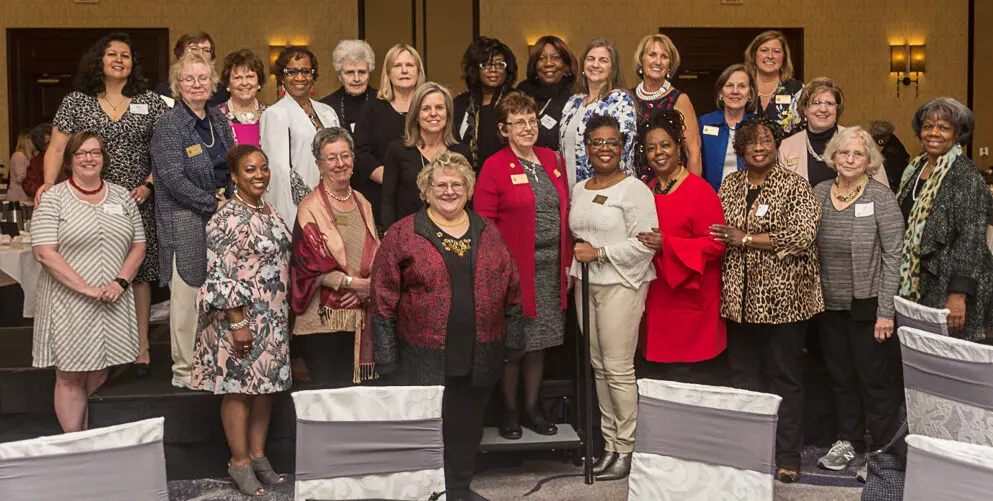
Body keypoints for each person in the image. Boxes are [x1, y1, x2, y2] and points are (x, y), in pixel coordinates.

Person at [371, 151, 524, 500]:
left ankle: (457, 489)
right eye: (441, 185)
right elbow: (382, 299)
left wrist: (514, 339)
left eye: (457, 184)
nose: (449, 191)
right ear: (426, 191)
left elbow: (512, 288)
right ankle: (427, 493)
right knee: (429, 429)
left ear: (468, 190)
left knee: (467, 428)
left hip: (479, 353)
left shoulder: (489, 232)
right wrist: (386, 356)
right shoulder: (403, 233)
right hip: (421, 357)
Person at [42, 33, 167, 378]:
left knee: (137, 275)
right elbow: (56, 148)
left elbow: (166, 150)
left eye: (125, 55)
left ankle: (140, 349)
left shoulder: (152, 102)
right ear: (98, 61)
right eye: (111, 54)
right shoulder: (76, 102)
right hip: (86, 201)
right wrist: (48, 187)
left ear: (133, 64)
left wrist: (149, 185)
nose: (118, 59)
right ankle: (99, 348)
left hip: (136, 200)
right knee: (95, 270)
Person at [710, 115, 823, 483]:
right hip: (738, 301)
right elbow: (715, 232)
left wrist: (745, 238)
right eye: (751, 142)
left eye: (765, 141)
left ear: (775, 145)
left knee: (784, 378)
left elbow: (802, 236)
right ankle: (749, 450)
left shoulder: (795, 186)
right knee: (742, 376)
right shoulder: (729, 184)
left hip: (784, 302)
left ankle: (788, 455)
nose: (758, 147)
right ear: (740, 150)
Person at [191, 144, 290, 496]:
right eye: (250, 170)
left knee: (265, 389)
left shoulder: (267, 210)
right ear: (233, 176)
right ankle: (239, 462)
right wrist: (237, 322)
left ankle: (258, 454)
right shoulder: (226, 218)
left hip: (272, 319)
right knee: (239, 390)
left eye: (263, 168)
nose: (260, 174)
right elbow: (218, 276)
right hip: (241, 319)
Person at [32, 131, 146, 432]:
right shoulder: (53, 198)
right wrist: (87, 289)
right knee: (70, 374)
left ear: (103, 158)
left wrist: (119, 283)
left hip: (112, 298)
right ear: (69, 161)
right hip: (68, 301)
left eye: (94, 152)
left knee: (99, 369)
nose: (88, 158)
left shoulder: (122, 195)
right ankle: (76, 446)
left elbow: (139, 245)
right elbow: (44, 253)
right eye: (80, 153)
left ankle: (89, 439)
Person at [474, 91, 570, 439]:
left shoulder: (551, 159)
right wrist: (500, 272)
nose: (528, 127)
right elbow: (484, 226)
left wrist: (567, 266)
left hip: (550, 269)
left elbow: (566, 213)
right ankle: (509, 412)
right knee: (515, 346)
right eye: (519, 122)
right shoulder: (494, 166)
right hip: (515, 272)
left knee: (540, 344)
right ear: (504, 129)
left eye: (531, 120)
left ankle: (533, 408)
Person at [570, 114, 658, 481]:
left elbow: (646, 243)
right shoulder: (579, 188)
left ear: (622, 148)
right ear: (587, 149)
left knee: (619, 368)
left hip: (622, 283)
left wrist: (601, 253)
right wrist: (587, 259)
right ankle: (608, 446)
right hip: (584, 283)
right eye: (597, 143)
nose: (604, 149)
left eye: (611, 143)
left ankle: (627, 448)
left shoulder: (634, 189)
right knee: (599, 367)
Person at [811, 126, 905, 472]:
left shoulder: (880, 197)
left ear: (869, 161)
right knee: (840, 376)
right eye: (844, 153)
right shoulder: (820, 192)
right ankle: (847, 441)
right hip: (828, 304)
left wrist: (886, 312)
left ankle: (881, 452)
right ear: (833, 157)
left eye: (858, 154)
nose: (850, 159)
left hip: (868, 304)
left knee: (874, 380)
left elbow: (894, 256)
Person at [151, 53, 236, 389]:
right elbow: (173, 180)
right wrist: (215, 202)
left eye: (203, 78)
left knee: (219, 296)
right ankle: (184, 371)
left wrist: (230, 196)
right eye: (189, 79)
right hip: (184, 221)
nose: (197, 84)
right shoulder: (169, 126)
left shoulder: (218, 119)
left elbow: (233, 162)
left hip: (220, 219)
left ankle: (214, 364)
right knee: (186, 302)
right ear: (178, 86)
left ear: (213, 83)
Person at [637, 109, 727, 384]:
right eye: (651, 148)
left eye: (665, 145)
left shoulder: (700, 191)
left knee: (687, 379)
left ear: (679, 148)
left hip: (691, 300)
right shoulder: (645, 188)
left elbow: (717, 245)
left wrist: (669, 245)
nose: (658, 153)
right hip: (656, 296)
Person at [896, 97, 993, 342]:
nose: (934, 133)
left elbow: (971, 240)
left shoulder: (965, 176)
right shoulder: (914, 169)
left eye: (943, 127)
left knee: (950, 359)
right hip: (920, 282)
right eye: (928, 126)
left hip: (949, 286)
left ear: (957, 134)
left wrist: (958, 294)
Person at [290, 127, 380, 385]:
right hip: (322, 319)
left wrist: (368, 287)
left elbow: (376, 252)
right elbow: (307, 264)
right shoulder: (309, 207)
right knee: (329, 396)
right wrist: (353, 284)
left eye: (345, 156)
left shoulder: (363, 202)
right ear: (319, 164)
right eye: (331, 158)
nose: (340, 164)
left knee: (358, 397)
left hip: (359, 314)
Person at [260, 46, 340, 226]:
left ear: (313, 75)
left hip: (332, 200)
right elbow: (278, 171)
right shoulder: (275, 114)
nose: (299, 78)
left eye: (305, 71)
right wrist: (291, 218)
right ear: (282, 76)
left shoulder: (327, 111)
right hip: (297, 207)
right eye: (292, 72)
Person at [353, 44, 425, 229]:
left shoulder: (429, 107)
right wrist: (391, 178)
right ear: (388, 72)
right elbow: (360, 151)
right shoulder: (372, 108)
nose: (404, 70)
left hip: (426, 197)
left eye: (409, 65)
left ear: (418, 70)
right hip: (380, 196)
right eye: (397, 65)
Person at [380, 82, 470, 228]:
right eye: (426, 108)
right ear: (416, 115)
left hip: (451, 233)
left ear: (448, 113)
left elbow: (468, 200)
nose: (433, 113)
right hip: (408, 235)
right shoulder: (397, 150)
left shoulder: (461, 152)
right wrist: (390, 233)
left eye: (439, 107)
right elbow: (388, 200)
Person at [779, 78, 888, 188]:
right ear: (805, 108)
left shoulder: (860, 140)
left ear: (837, 109)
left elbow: (882, 190)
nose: (823, 109)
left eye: (829, 103)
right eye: (816, 103)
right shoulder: (787, 147)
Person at [559, 39, 636, 188]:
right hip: (572, 191)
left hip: (608, 189)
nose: (595, 65)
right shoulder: (573, 102)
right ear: (583, 65)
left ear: (612, 69)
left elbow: (622, 153)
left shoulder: (620, 101)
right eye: (591, 59)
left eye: (603, 60)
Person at [631, 34, 701, 178]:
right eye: (652, 54)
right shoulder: (627, 97)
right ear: (641, 59)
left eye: (664, 57)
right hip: (632, 185)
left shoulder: (679, 99)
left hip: (669, 184)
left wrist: (691, 193)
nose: (658, 61)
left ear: (669, 65)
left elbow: (693, 152)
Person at [453, 37, 518, 170]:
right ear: (475, 69)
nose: (493, 69)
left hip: (506, 176)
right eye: (486, 65)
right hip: (464, 179)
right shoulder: (460, 103)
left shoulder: (517, 102)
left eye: (500, 64)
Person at [698, 64, 756, 192]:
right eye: (729, 85)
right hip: (711, 199)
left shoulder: (757, 125)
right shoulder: (704, 123)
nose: (735, 91)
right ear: (720, 92)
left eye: (742, 86)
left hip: (749, 200)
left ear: (750, 94)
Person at [515, 35, 577, 151]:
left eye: (556, 57)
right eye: (541, 58)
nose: (548, 63)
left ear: (567, 65)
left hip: (563, 166)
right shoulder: (521, 93)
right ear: (534, 65)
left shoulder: (576, 96)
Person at [743, 30, 803, 135]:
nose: (770, 56)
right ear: (754, 55)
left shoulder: (796, 89)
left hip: (787, 151)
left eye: (776, 51)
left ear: (784, 57)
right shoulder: (742, 86)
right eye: (764, 50)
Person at [154, 32, 230, 108]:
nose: (200, 53)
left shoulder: (222, 93)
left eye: (206, 50)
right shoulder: (163, 90)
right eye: (194, 49)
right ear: (179, 54)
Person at [319, 40, 377, 134]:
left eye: (362, 72)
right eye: (350, 72)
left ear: (369, 73)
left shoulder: (384, 102)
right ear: (339, 76)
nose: (357, 79)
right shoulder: (325, 107)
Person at [216, 49, 267, 147]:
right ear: (228, 84)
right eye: (237, 78)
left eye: (250, 76)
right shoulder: (215, 116)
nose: (244, 83)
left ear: (259, 81)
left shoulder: (270, 115)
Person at [870, 120, 911, 192]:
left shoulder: (891, 152)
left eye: (879, 137)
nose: (877, 140)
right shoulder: (894, 141)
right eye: (875, 137)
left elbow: (891, 180)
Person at [21, 122, 54, 198]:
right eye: (50, 142)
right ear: (43, 146)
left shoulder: (68, 156)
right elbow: (28, 185)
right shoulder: (36, 161)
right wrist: (47, 191)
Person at [5, 130, 36, 204]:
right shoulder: (19, 155)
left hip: (24, 198)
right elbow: (20, 178)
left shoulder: (27, 156)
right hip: (18, 199)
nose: (35, 142)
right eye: (33, 139)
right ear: (27, 140)